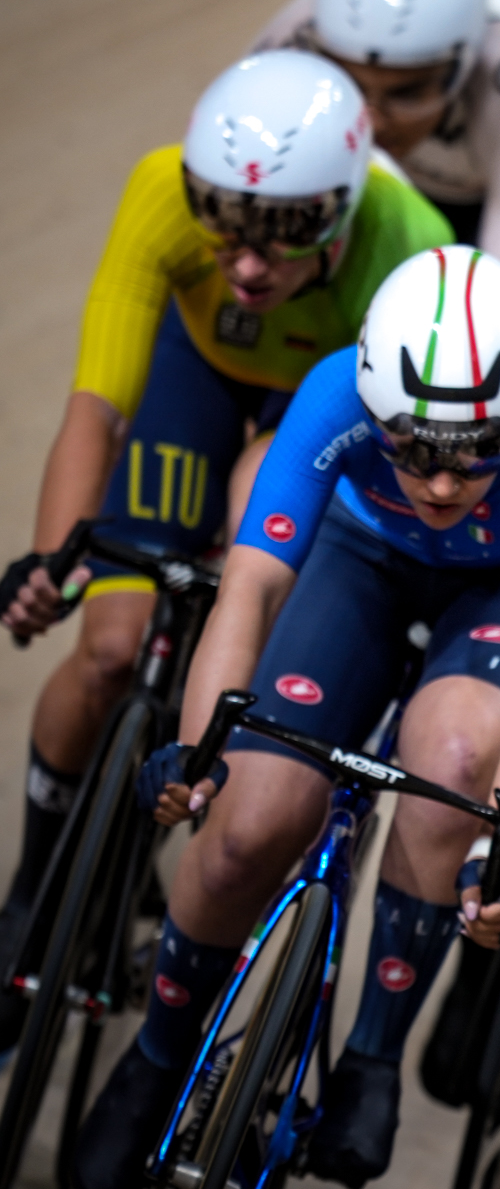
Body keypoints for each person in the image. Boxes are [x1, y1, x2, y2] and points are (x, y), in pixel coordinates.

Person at [69, 246, 500, 1189]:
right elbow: (251, 586)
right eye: (411, 446)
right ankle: (156, 1056)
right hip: (360, 556)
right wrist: (200, 758)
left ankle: (372, 1055)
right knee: (245, 824)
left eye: (479, 450)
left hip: (499, 586)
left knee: (452, 766)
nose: (443, 481)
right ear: (373, 409)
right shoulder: (333, 395)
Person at [0, 51, 450, 1047]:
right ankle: (33, 893)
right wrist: (53, 564)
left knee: (258, 520)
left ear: (340, 211)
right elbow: (97, 404)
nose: (248, 265)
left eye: (286, 237)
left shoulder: (404, 245)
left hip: (314, 401)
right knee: (112, 646)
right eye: (228, 228)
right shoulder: (161, 191)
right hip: (196, 371)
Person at [254, 0, 500, 319]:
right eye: (350, 81)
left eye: (407, 92)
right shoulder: (307, 26)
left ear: (464, 62)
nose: (372, 123)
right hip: (400, 186)